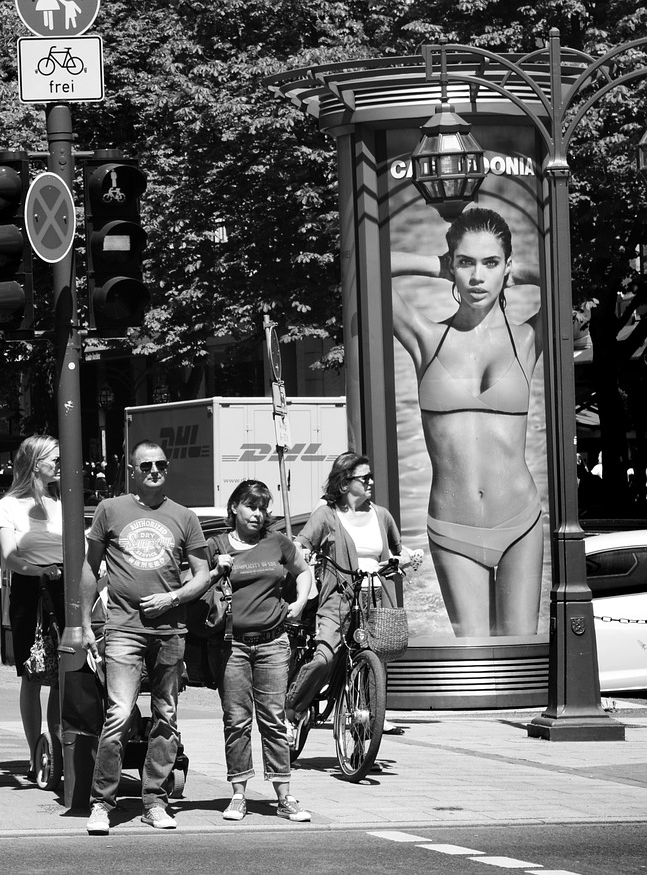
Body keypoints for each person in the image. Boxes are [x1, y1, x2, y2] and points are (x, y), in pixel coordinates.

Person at [391, 207, 543, 636]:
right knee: (473, 658)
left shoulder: (528, 339)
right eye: (465, 263)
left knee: (521, 658)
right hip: (452, 525)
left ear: (507, 268)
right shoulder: (426, 338)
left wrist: (515, 272)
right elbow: (366, 267)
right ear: (452, 266)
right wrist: (438, 265)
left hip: (521, 521)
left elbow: (563, 280)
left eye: (491, 263)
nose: (477, 277)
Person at [80, 441, 211, 835]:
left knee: (166, 716)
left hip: (170, 631)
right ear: (132, 470)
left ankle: (155, 801)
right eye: (146, 465)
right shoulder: (110, 510)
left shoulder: (184, 517)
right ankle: (102, 803)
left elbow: (203, 574)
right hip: (122, 628)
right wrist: (85, 624)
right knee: (120, 713)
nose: (155, 470)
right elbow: (90, 568)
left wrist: (172, 597)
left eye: (161, 464)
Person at [285, 453, 421, 732]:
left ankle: (366, 733)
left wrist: (408, 558)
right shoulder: (327, 515)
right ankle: (292, 708)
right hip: (338, 599)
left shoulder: (381, 515)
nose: (371, 481)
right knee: (324, 658)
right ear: (344, 484)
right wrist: (305, 555)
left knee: (374, 663)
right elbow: (300, 545)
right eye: (364, 477)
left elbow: (399, 551)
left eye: (371, 476)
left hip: (374, 599)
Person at [208, 480, 314, 823]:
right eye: (251, 506)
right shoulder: (217, 545)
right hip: (232, 644)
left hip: (273, 642)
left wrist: (299, 603)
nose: (258, 513)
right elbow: (193, 584)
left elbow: (304, 571)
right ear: (234, 508)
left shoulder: (277, 542)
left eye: (263, 507)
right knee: (236, 721)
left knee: (274, 719)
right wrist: (215, 569)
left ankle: (284, 796)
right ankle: (238, 794)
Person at [0, 434, 64, 767]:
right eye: (54, 459)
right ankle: (36, 754)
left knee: (64, 673)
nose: (60, 464)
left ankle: (58, 750)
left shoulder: (62, 500)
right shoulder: (10, 504)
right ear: (37, 464)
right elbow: (9, 556)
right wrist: (40, 570)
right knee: (32, 674)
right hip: (29, 592)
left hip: (64, 589)